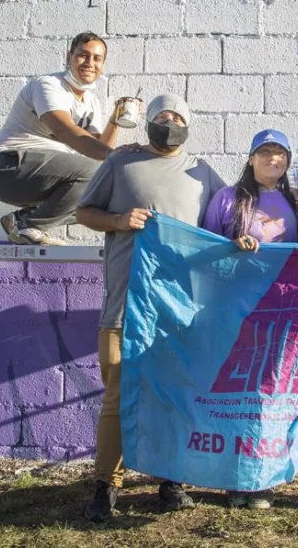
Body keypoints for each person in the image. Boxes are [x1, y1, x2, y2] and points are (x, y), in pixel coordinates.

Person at [76, 93, 226, 519]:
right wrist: (119, 221)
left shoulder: (202, 174)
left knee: (175, 395)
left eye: (178, 116)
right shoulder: (121, 164)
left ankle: (171, 480)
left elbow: (230, 222)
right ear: (150, 123)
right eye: (162, 115)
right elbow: (83, 212)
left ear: (189, 124)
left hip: (178, 312)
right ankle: (106, 486)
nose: (170, 121)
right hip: (124, 306)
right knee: (118, 396)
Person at [201, 128, 298, 510]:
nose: (272, 159)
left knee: (270, 397)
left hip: (279, 312)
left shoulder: (296, 203)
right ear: (250, 158)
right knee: (236, 395)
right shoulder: (227, 199)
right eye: (265, 152)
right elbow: (205, 248)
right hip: (233, 311)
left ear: (287, 162)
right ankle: (233, 477)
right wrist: (231, 248)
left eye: (280, 153)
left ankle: (259, 479)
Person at [0, 31, 134, 246]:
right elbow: (66, 131)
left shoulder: (91, 101)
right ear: (69, 56)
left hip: (41, 177)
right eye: (83, 55)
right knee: (99, 172)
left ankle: (23, 221)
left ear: (103, 64)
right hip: (8, 167)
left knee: (108, 195)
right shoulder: (48, 85)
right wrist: (115, 158)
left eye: (97, 58)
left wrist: (116, 120)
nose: (89, 63)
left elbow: (98, 150)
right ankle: (29, 224)